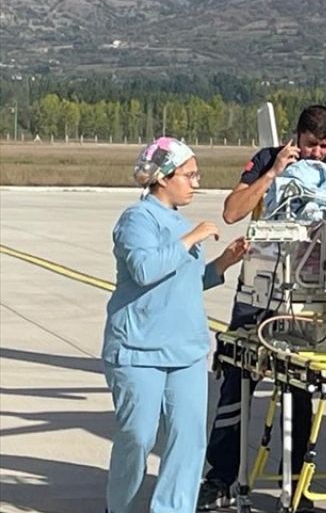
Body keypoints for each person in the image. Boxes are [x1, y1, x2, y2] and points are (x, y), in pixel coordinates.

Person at [198, 104, 326, 511]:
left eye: (324, 146)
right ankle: (219, 478)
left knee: (299, 392)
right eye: (309, 145)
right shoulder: (270, 160)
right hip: (259, 294)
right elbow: (232, 211)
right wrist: (272, 174)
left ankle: (297, 484)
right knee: (236, 384)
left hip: (307, 298)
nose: (316, 154)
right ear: (295, 138)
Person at [105, 137, 248, 513]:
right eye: (189, 175)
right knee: (137, 436)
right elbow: (145, 269)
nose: (196, 183)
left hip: (186, 350)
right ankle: (117, 506)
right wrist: (191, 238)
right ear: (164, 177)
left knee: (188, 440)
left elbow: (186, 281)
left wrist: (223, 264)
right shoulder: (137, 220)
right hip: (139, 350)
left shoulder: (182, 224)